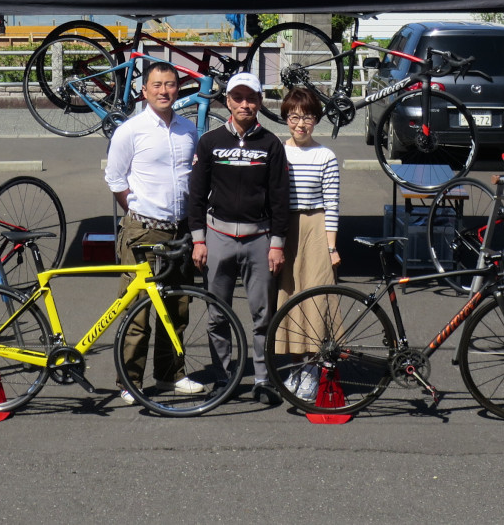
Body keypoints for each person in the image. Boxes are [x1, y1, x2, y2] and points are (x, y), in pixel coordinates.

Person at [104, 60, 202, 405]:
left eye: (171, 84)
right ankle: (129, 381)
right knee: (138, 310)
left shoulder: (188, 130)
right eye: (157, 85)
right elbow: (115, 179)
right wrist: (136, 206)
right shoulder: (130, 131)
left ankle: (169, 374)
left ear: (178, 89)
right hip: (143, 231)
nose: (164, 91)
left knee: (177, 306)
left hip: (180, 231)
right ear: (144, 91)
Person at [189, 71, 290, 403]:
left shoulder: (271, 144)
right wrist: (199, 240)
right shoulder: (210, 142)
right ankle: (224, 377)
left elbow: (279, 198)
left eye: (252, 98)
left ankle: (263, 378)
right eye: (238, 98)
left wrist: (277, 244)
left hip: (259, 239)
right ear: (228, 101)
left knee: (263, 314)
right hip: (217, 237)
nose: (245, 104)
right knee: (217, 314)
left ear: (260, 102)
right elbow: (197, 194)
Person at [275, 86, 340, 401]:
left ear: (317, 120)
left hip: (314, 227)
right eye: (294, 116)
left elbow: (332, 204)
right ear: (286, 117)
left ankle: (313, 369)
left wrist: (331, 247)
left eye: (308, 117)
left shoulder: (325, 155)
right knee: (288, 297)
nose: (301, 124)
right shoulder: (277, 151)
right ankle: (295, 366)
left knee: (315, 299)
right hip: (283, 228)